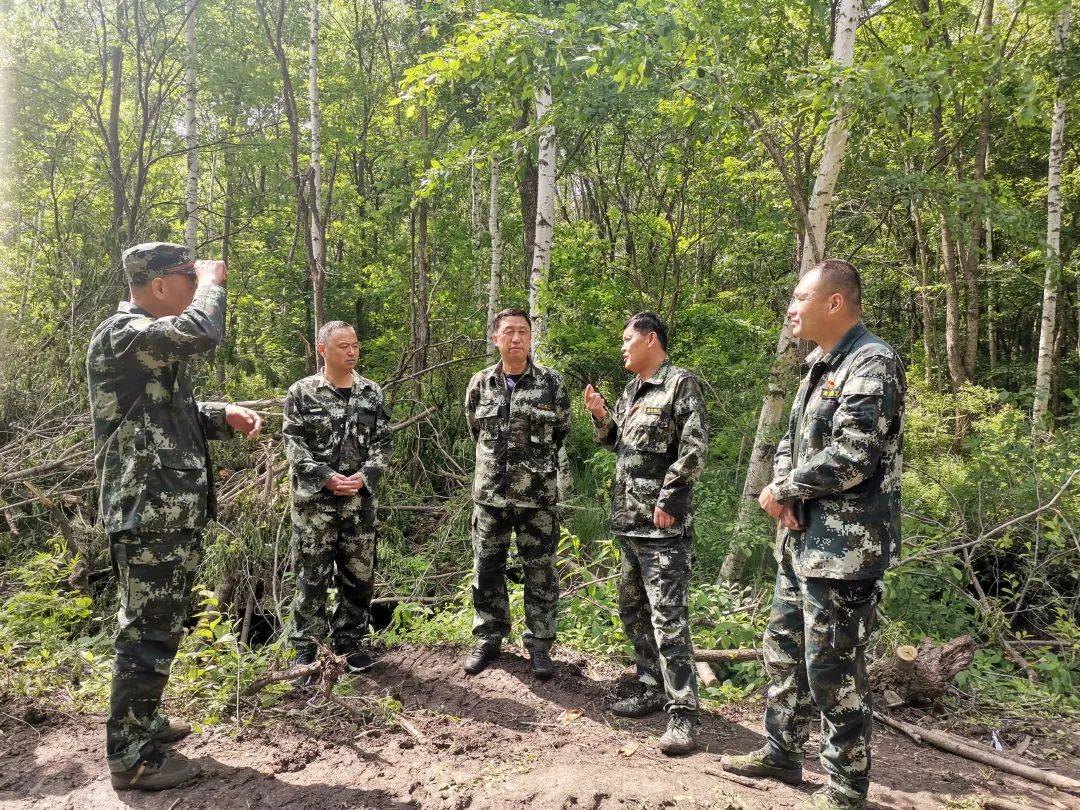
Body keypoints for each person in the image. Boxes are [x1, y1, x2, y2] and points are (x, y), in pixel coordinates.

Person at [721, 259, 906, 810]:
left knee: (832, 668)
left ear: (834, 302)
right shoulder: (818, 365)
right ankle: (781, 751)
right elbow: (792, 441)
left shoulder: (872, 362)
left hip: (846, 551)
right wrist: (786, 492)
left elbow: (855, 454)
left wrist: (786, 490)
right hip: (802, 541)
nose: (791, 308)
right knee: (783, 651)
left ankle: (845, 788)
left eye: (801, 297)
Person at [87, 242, 263, 791]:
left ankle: (144, 723)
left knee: (161, 624)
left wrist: (221, 414)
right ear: (160, 285)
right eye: (187, 279)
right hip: (147, 510)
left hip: (166, 509)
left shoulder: (146, 344)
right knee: (146, 631)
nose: (194, 288)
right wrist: (213, 284)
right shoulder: (123, 334)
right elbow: (202, 331)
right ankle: (131, 758)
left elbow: (166, 414)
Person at [584, 311, 708, 755]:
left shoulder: (679, 384)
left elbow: (693, 448)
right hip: (629, 524)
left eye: (627, 339)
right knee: (632, 610)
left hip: (662, 528)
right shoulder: (632, 390)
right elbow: (617, 444)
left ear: (651, 339)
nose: (622, 347)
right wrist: (601, 416)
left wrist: (670, 500)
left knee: (668, 619)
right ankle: (651, 686)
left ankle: (684, 714)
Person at [462, 308, 571, 679]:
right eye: (508, 332)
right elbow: (475, 432)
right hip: (490, 496)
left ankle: (539, 645)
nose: (516, 338)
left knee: (540, 572)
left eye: (523, 331)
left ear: (530, 337)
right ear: (495, 338)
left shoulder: (552, 384)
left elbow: (561, 432)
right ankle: (489, 638)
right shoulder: (480, 384)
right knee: (486, 570)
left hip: (537, 499)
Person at [282, 320, 392, 674]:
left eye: (355, 345)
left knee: (358, 577)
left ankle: (350, 642)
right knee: (310, 577)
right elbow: (294, 445)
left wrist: (365, 476)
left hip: (358, 504)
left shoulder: (371, 392)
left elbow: (383, 442)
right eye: (343, 346)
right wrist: (325, 477)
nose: (352, 351)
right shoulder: (302, 392)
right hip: (315, 506)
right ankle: (308, 649)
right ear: (322, 350)